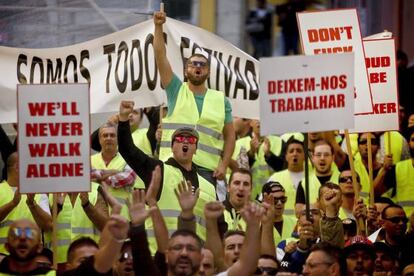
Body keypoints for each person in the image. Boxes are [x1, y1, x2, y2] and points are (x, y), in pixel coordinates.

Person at [118, 101, 221, 252]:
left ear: (195, 149)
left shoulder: (209, 187)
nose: (185, 142)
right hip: (161, 255)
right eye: (179, 140)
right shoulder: (158, 170)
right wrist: (123, 119)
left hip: (196, 262)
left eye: (190, 140)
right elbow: (128, 150)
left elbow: (218, 228)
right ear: (172, 147)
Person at [153, 8, 236, 185]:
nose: (197, 67)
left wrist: (225, 164)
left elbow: (230, 136)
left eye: (202, 65)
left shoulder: (221, 100)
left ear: (208, 72)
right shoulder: (176, 89)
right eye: (193, 64)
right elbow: (160, 57)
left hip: (208, 171)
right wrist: (158, 27)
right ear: (185, 70)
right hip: (173, 166)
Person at [0, 152, 52, 254]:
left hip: (32, 256)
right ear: (18, 167)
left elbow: (48, 225)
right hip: (2, 256)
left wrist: (33, 204)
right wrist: (12, 204)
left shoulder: (38, 193)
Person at [90, 122, 141, 219]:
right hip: (96, 218)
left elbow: (127, 178)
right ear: (100, 139)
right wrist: (114, 172)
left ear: (118, 139)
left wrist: (98, 178)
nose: (108, 138)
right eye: (105, 135)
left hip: (121, 217)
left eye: (112, 135)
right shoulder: (90, 160)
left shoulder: (129, 159)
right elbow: (86, 177)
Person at [375, 126, 414, 217]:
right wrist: (384, 170)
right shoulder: (398, 168)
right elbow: (374, 193)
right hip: (404, 226)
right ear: (408, 143)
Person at [295, 140, 340, 215]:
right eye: (318, 155)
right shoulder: (304, 183)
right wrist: (318, 204)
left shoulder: (342, 179)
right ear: (313, 157)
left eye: (326, 155)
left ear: (333, 157)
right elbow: (298, 212)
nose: (322, 158)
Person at [268, 138, 304, 217]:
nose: (295, 154)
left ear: (304, 155)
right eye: (291, 151)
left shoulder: (312, 178)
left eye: (299, 151)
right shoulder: (275, 178)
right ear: (286, 156)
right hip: (283, 226)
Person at [261, 181, 296, 246]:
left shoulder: (296, 223)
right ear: (264, 201)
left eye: (283, 199)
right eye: (275, 200)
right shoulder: (256, 225)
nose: (280, 203)